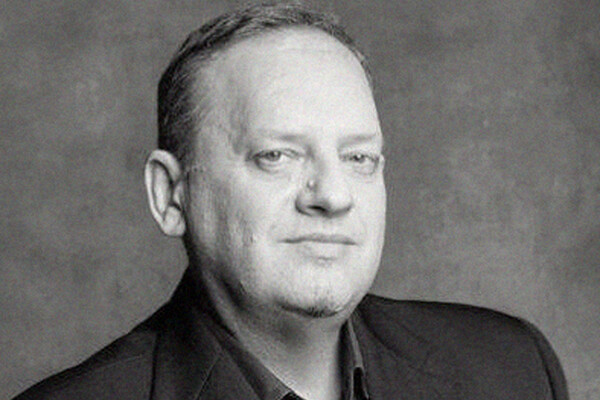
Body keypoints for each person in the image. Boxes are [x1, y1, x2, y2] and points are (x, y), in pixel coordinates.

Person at [14, 3, 568, 400]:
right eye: (276, 156)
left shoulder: (512, 370)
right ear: (170, 195)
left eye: (359, 158)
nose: (333, 195)